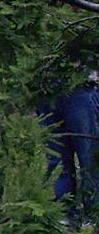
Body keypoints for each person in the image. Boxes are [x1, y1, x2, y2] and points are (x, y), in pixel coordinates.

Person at [40, 81, 99, 218]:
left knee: (90, 160)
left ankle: (93, 218)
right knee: (56, 163)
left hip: (83, 85)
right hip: (45, 88)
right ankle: (63, 217)